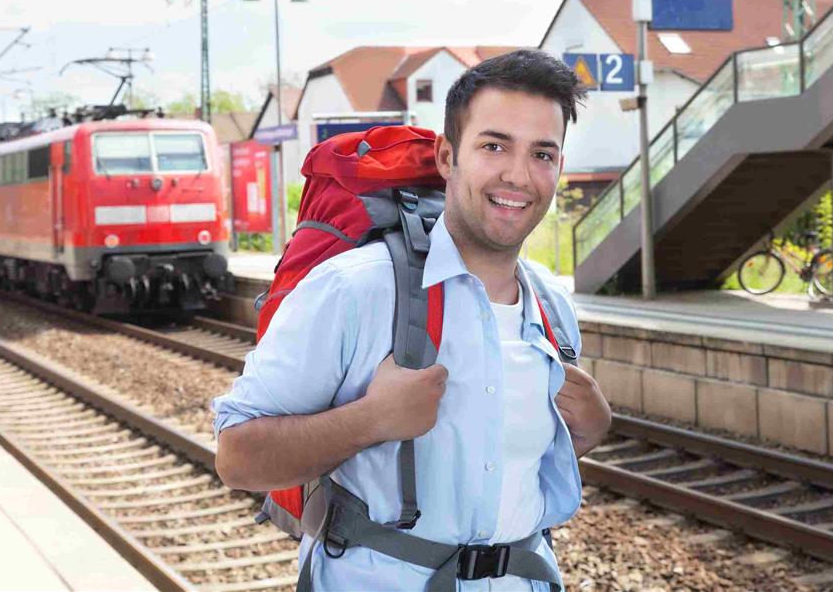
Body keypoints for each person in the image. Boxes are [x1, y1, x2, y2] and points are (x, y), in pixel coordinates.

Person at [212, 49, 612, 591]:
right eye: (494, 146)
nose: (518, 175)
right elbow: (237, 459)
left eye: (542, 153)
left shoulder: (552, 307)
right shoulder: (356, 289)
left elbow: (496, 467)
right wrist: (370, 420)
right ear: (447, 156)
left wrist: (588, 430)